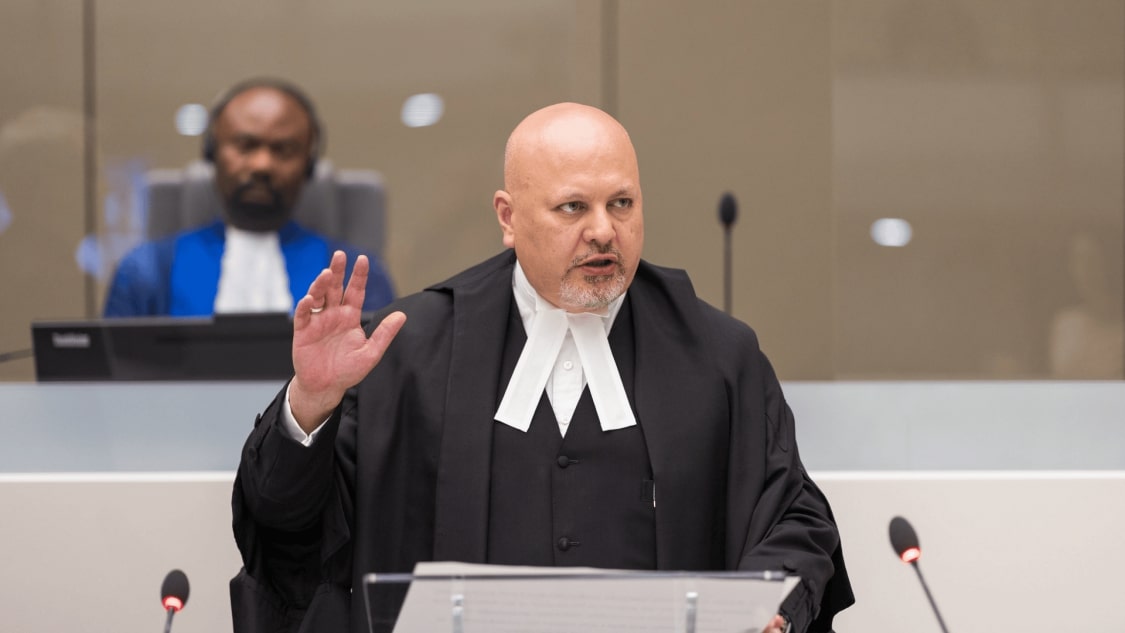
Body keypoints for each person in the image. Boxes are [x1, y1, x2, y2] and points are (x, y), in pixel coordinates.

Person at [231, 103, 854, 633]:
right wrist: (311, 402)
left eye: (622, 203)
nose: (604, 231)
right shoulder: (406, 350)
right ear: (508, 217)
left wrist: (770, 610)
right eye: (573, 207)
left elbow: (794, 517)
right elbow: (289, 532)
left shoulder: (717, 355)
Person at [103, 78, 395, 317]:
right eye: (245, 145)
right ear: (212, 154)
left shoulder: (357, 277)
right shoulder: (145, 270)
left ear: (308, 165)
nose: (262, 165)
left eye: (284, 150)